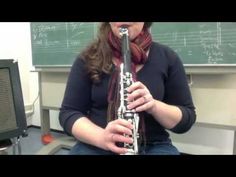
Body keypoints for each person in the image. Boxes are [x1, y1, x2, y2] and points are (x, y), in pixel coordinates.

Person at [59, 22, 196, 155]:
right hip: (96, 144)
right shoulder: (88, 57)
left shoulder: (167, 57)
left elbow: (186, 119)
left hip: (153, 145)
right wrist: (102, 138)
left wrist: (153, 106)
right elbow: (69, 113)